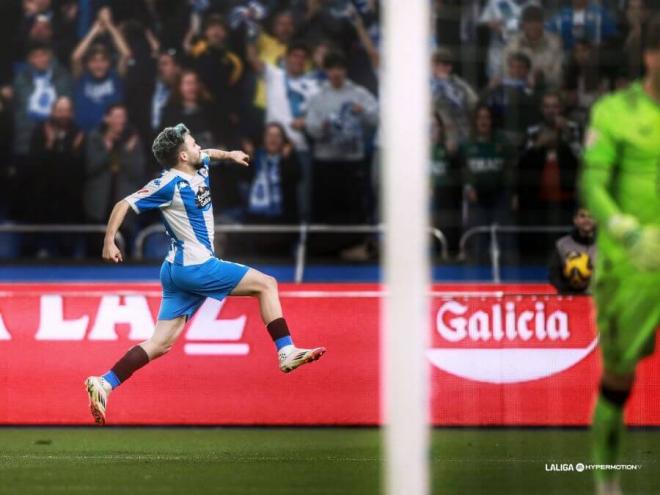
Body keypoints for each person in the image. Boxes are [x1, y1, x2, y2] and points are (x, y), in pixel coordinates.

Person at [84, 123, 325, 425]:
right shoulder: (167, 184)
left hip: (175, 270)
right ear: (183, 155)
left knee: (160, 344)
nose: (201, 147)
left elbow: (209, 153)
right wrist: (108, 241)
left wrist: (230, 154)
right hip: (195, 267)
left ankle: (104, 383)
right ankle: (285, 351)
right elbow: (123, 204)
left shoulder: (198, 165)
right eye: (194, 144)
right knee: (266, 284)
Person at [580, 17, 660, 495]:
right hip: (631, 269)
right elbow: (593, 181)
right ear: (649, 56)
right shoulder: (614, 111)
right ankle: (607, 483)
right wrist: (627, 232)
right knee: (619, 378)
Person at [71, 7, 131, 132]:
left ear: (109, 63)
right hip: (83, 135)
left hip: (110, 134)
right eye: (94, 61)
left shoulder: (115, 77)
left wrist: (109, 25)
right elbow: (75, 57)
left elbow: (126, 54)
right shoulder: (82, 77)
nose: (98, 65)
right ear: (87, 64)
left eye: (103, 61)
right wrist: (95, 29)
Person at [502, 5, 564, 90]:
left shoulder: (555, 43)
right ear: (523, 24)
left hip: (546, 89)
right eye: (529, 22)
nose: (533, 26)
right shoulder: (512, 44)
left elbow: (558, 75)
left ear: (543, 23)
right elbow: (505, 72)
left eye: (537, 21)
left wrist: (542, 76)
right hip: (518, 90)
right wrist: (523, 79)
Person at [548, 207, 596, 294]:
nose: (587, 220)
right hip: (570, 300)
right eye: (582, 216)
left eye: (591, 216)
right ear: (575, 220)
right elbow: (554, 275)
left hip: (598, 301)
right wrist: (569, 293)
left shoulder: (606, 245)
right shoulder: (562, 244)